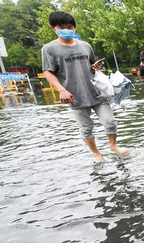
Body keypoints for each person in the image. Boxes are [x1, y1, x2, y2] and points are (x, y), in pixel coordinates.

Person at [41, 11, 129, 163]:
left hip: (96, 92)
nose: (66, 29)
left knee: (110, 121)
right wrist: (61, 90)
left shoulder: (85, 46)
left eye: (69, 26)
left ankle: (113, 147)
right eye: (61, 27)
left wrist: (95, 65)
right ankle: (96, 153)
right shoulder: (49, 49)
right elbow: (48, 72)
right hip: (75, 95)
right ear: (53, 28)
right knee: (86, 126)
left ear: (74, 27)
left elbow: (92, 65)